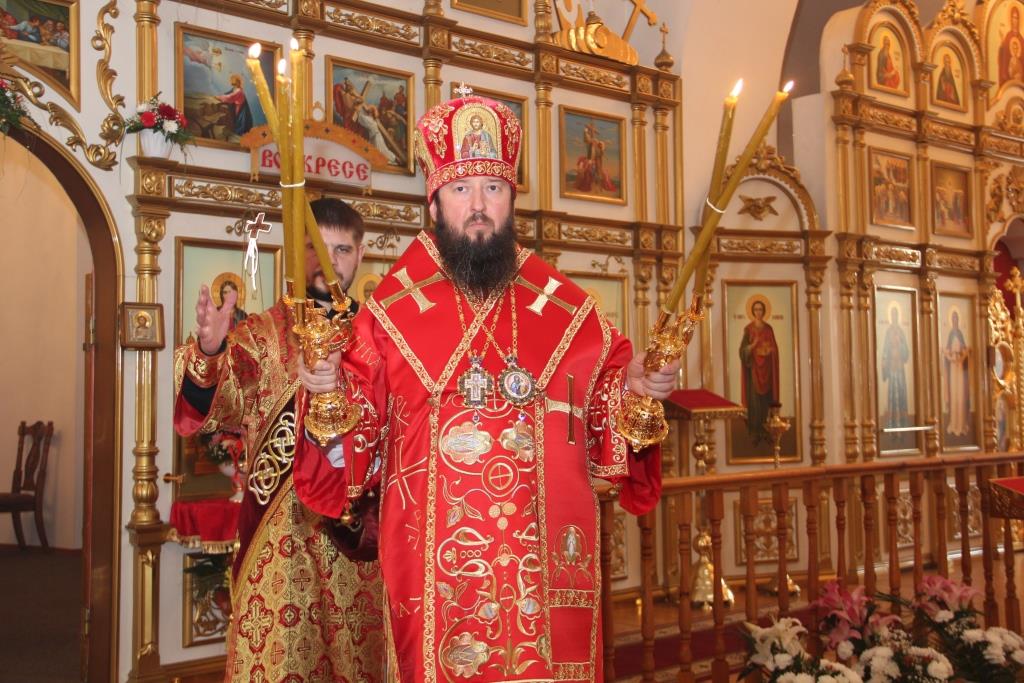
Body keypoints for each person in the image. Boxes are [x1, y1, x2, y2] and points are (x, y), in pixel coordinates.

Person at [293, 95, 678, 682]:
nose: (477, 206)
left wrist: (639, 389)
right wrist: (326, 394)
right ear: (434, 201)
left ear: (512, 198)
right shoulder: (389, 315)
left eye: (492, 188)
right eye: (461, 189)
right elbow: (355, 448)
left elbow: (606, 413)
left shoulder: (563, 306)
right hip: (436, 578)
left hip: (541, 573)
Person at [173, 198, 382, 682]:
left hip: (360, 543)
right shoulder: (263, 334)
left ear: (360, 253)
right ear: (294, 251)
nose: (328, 262)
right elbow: (216, 406)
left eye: (341, 249)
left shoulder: (379, 338)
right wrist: (209, 351)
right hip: (280, 540)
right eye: (315, 248)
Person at [739, 299, 780, 446]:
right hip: (754, 372)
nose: (758, 312)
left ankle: (767, 432)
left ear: (764, 311)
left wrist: (770, 351)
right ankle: (755, 433)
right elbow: (742, 351)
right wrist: (752, 346)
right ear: (752, 311)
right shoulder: (748, 330)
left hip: (767, 373)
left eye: (760, 309)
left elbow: (774, 349)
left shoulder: (769, 329)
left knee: (766, 403)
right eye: (756, 309)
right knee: (755, 403)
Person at [881, 305, 910, 430]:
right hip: (892, 368)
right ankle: (892, 425)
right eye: (892, 315)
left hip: (900, 368)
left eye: (895, 315)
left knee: (901, 394)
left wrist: (900, 344)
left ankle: (902, 424)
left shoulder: (901, 332)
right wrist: (884, 361)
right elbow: (885, 350)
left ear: (897, 317)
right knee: (893, 395)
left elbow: (906, 352)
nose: (894, 317)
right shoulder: (888, 332)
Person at [943, 310, 970, 437]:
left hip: (960, 368)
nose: (954, 321)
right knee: (954, 394)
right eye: (953, 319)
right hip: (953, 368)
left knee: (960, 394)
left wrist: (964, 353)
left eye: (956, 318)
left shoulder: (960, 333)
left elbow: (965, 349)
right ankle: (954, 424)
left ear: (958, 320)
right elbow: (947, 350)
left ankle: (961, 424)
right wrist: (949, 354)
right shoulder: (950, 334)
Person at [214, 73, 253, 138]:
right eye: (233, 83)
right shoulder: (235, 89)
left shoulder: (239, 91)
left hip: (241, 110)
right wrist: (221, 96)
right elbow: (228, 94)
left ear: (238, 82)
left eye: (235, 83)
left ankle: (239, 135)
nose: (233, 84)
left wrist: (219, 97)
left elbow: (230, 97)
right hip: (236, 108)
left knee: (240, 123)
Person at [1000, 6, 1024, 86]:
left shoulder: (1021, 39)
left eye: (1016, 18)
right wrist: (1002, 44)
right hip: (1009, 83)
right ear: (1010, 19)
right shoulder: (1008, 36)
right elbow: (1004, 58)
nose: (1015, 20)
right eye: (1013, 18)